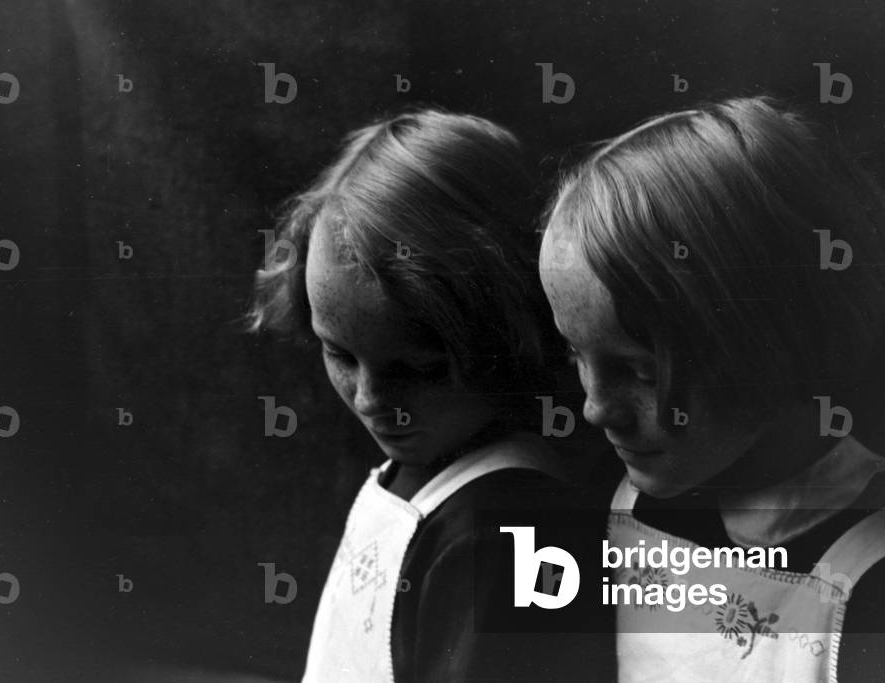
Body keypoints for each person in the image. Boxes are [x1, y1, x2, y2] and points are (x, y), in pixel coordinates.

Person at [538, 95, 885, 682]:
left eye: (643, 372)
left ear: (775, 347)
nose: (596, 409)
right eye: (578, 353)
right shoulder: (629, 500)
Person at [247, 109, 613, 682]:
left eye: (418, 368)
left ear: (506, 337)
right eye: (340, 354)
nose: (369, 399)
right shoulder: (422, 474)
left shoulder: (514, 529)